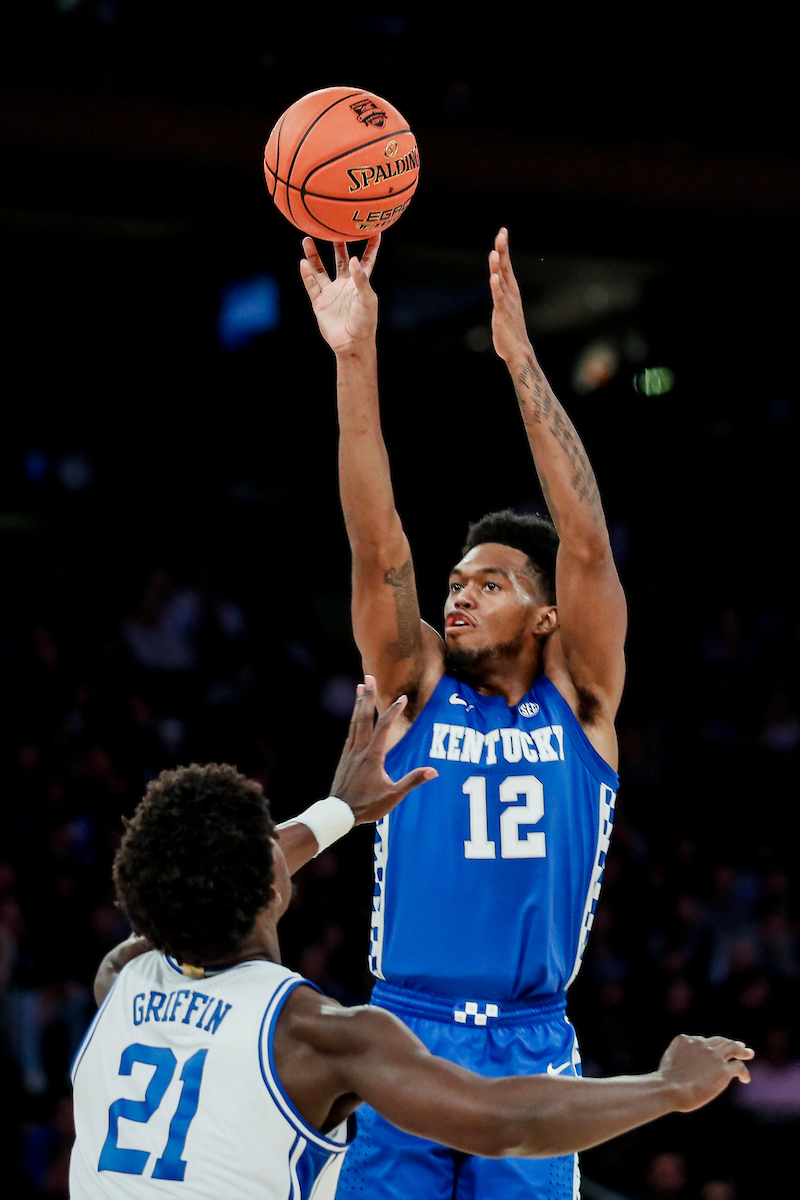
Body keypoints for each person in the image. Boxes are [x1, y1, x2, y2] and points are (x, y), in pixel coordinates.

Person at [69, 680, 753, 1199]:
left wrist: (340, 812)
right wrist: (667, 1087)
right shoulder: (318, 1035)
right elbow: (500, 1122)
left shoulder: (122, 976)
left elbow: (179, 886)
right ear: (270, 883)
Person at [300, 227, 629, 1199]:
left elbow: (584, 540)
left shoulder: (582, 700)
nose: (456, 595)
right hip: (400, 1030)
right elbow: (377, 541)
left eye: (486, 584)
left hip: (529, 1043)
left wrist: (520, 362)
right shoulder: (415, 685)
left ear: (542, 615)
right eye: (454, 582)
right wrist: (353, 358)